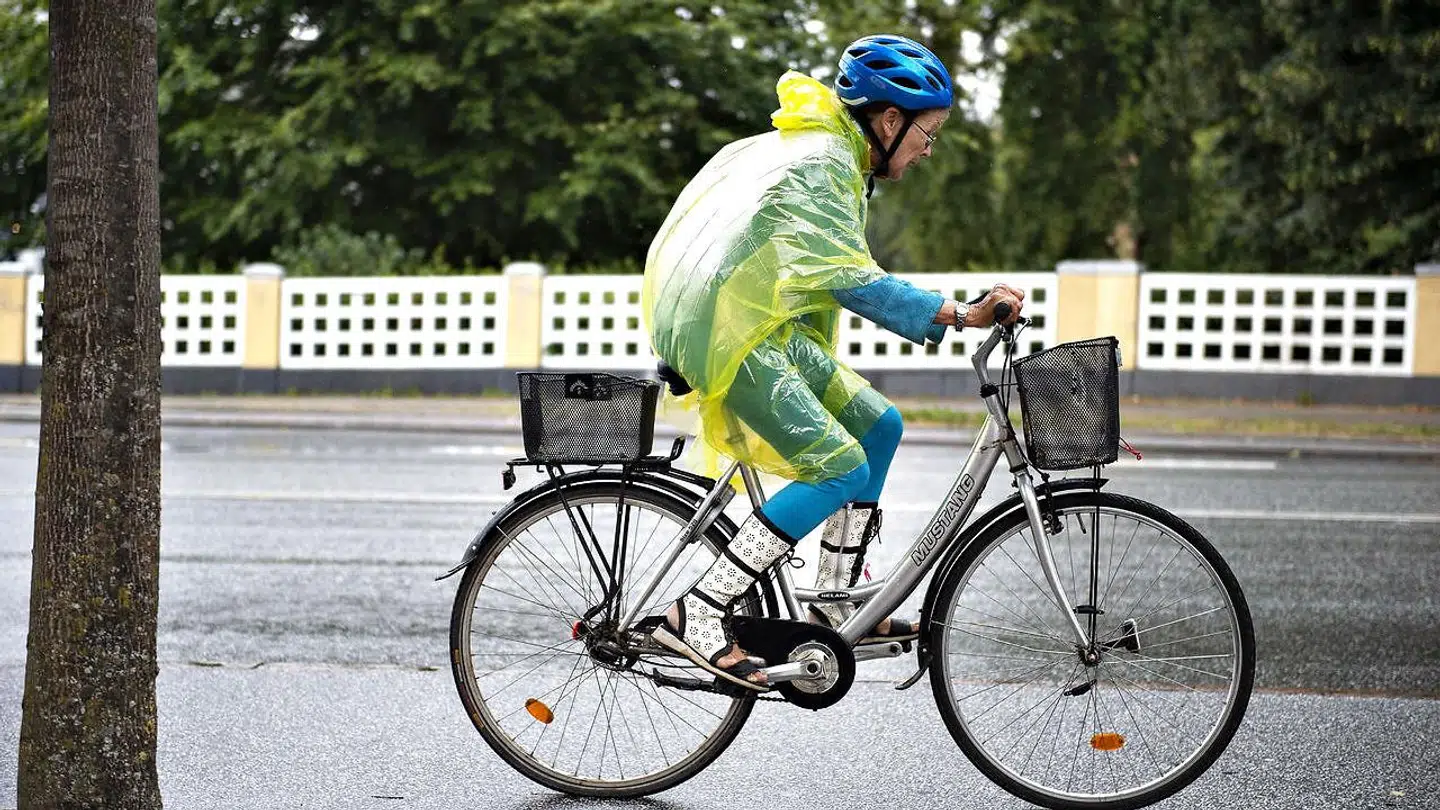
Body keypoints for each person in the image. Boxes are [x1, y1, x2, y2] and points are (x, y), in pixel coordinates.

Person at [642, 34, 1024, 690]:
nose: (928, 151)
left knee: (879, 426)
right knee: (838, 465)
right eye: (927, 135)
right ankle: (698, 611)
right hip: (729, 332)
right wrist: (961, 314)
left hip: (760, 324)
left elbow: (836, 268)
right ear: (889, 120)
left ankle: (833, 595)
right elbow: (853, 278)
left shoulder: (840, 158)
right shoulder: (824, 160)